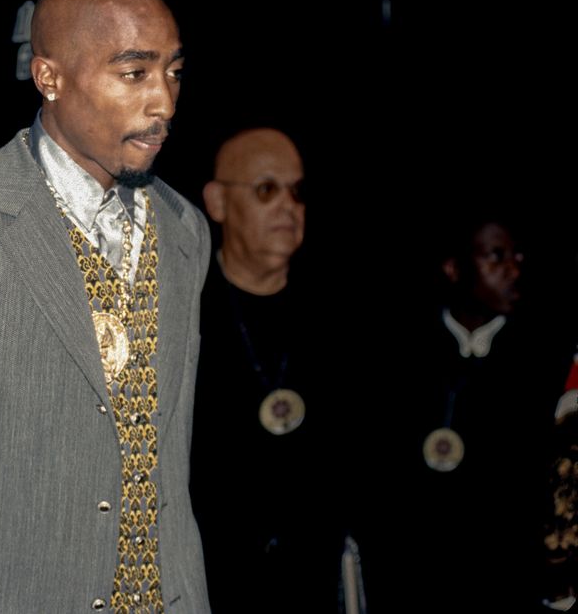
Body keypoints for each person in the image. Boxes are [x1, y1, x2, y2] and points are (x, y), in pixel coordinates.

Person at [0, 0, 211, 613]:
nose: (164, 102)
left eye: (173, 71)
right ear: (50, 78)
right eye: (135, 72)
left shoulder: (186, 231)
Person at [360, 213, 568, 612]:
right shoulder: (400, 353)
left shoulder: (542, 360)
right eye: (496, 256)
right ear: (454, 268)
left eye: (518, 256)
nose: (513, 269)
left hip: (506, 585)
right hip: (414, 583)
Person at [191, 128, 346, 613]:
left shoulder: (340, 314)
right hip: (211, 579)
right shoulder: (182, 310)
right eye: (265, 189)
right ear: (217, 202)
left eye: (296, 191)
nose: (288, 206)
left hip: (313, 579)